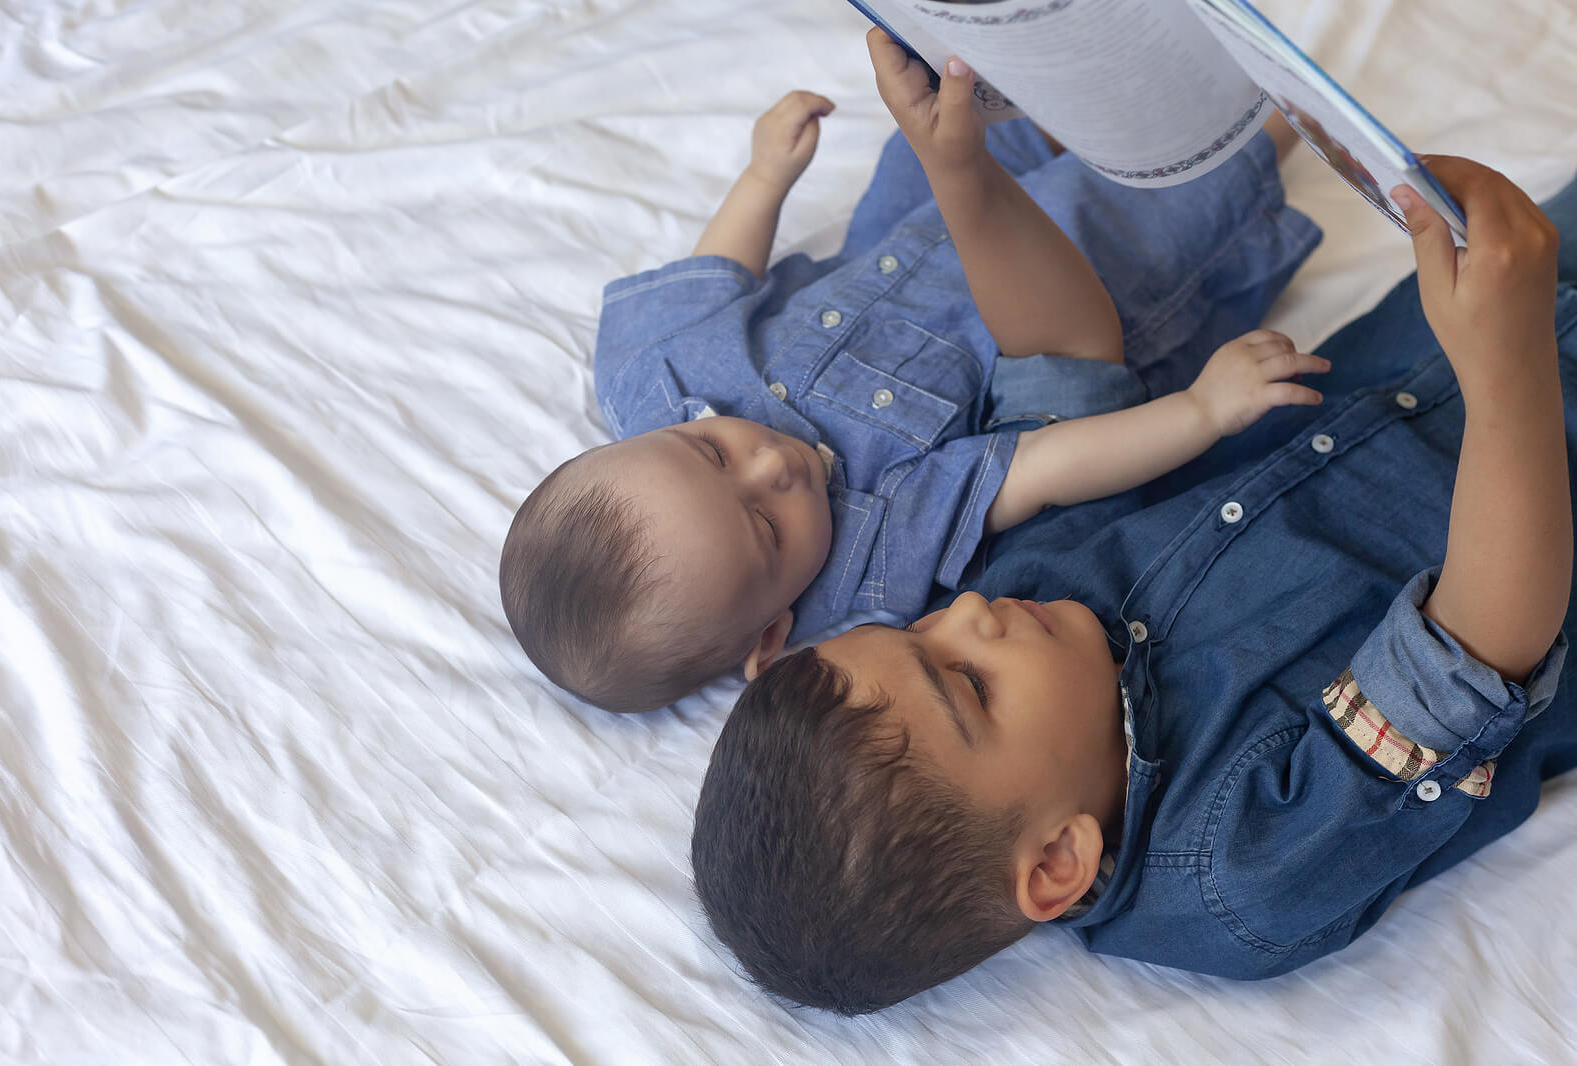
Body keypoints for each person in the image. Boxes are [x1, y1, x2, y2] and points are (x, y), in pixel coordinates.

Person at [691, 156, 1577, 1015]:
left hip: (1451, 338)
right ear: (1056, 865)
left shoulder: (1035, 603)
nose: (966, 613)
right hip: (1516, 394)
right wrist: (1506, 359)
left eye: (920, 632)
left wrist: (959, 168)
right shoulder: (1241, 868)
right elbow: (1483, 648)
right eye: (967, 683)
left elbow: (1062, 362)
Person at [499, 32, 1322, 713]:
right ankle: (1289, 101)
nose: (774, 464)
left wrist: (764, 179)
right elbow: (1042, 467)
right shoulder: (876, 550)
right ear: (771, 635)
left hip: (902, 234)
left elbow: (713, 281)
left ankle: (1077, 60)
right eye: (767, 527)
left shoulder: (652, 381)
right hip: (1059, 295)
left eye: (712, 453)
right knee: (1167, 191)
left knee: (967, 111)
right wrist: (1203, 414)